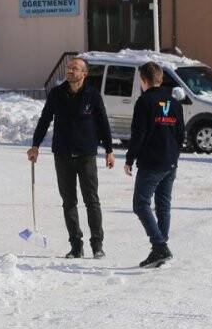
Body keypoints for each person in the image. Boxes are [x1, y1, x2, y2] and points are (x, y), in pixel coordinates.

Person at [28, 57, 114, 259]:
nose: (69, 71)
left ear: (84, 73)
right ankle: (76, 245)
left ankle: (97, 245)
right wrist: (35, 145)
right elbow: (45, 119)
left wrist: (109, 150)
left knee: (91, 201)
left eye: (74, 68)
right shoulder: (57, 94)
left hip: (86, 156)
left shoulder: (92, 95)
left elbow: (102, 122)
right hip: (63, 155)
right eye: (68, 68)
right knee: (68, 202)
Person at [123, 62, 186, 268]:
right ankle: (160, 249)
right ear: (160, 78)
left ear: (143, 80)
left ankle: (160, 246)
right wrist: (173, 158)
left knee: (140, 204)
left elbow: (138, 134)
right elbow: (180, 135)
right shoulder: (174, 102)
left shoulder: (144, 101)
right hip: (170, 163)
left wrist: (130, 158)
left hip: (152, 163)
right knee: (163, 205)